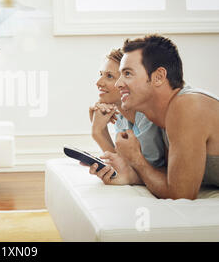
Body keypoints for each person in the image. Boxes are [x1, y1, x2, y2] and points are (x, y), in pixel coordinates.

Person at [95, 34, 219, 200]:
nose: (118, 84)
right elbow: (171, 177)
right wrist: (131, 175)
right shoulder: (164, 117)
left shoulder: (186, 105)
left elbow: (181, 195)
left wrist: (136, 158)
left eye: (128, 74)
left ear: (159, 77)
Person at [85, 49, 166, 185]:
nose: (98, 82)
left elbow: (145, 173)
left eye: (109, 76)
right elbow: (123, 165)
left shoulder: (147, 117)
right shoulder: (121, 115)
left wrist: (97, 133)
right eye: (101, 74)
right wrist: (100, 129)